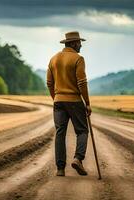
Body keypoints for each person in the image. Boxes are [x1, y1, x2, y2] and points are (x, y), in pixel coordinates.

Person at [46, 31, 92, 177]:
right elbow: (82, 82)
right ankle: (78, 159)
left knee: (60, 133)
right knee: (82, 131)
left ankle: (60, 169)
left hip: (58, 101)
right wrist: (87, 103)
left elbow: (49, 83)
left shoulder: (53, 59)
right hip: (74, 101)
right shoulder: (78, 59)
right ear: (73, 43)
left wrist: (56, 98)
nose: (81, 45)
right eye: (79, 43)